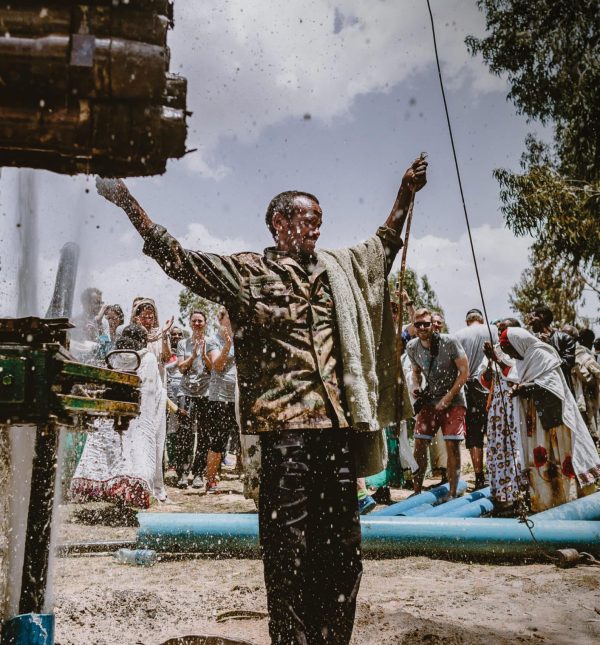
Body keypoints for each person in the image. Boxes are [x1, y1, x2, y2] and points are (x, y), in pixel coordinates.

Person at [96, 155, 426, 644]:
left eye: (320, 221)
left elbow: (385, 242)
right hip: (283, 438)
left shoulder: (339, 270)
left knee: (343, 552)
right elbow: (176, 256)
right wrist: (127, 203)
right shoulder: (245, 273)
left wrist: (406, 191)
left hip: (335, 436)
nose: (317, 229)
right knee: (288, 553)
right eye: (307, 220)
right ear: (279, 223)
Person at [500, 327, 600, 512]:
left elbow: (553, 388)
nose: (512, 355)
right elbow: (513, 375)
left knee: (562, 459)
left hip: (557, 419)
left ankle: (572, 509)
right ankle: (546, 506)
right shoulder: (522, 359)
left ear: (519, 343)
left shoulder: (540, 354)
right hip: (535, 418)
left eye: (511, 350)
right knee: (542, 463)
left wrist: (524, 389)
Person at [70, 324, 167, 508]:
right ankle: (133, 492)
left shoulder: (113, 358)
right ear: (143, 340)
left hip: (112, 410)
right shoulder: (148, 358)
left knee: (110, 452)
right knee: (136, 453)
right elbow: (151, 390)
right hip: (138, 414)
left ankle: (98, 490)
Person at [406, 308, 469, 498]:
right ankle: (417, 491)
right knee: (419, 441)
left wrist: (448, 398)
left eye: (426, 323)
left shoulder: (449, 342)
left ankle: (452, 492)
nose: (423, 327)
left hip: (453, 399)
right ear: (414, 326)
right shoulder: (412, 347)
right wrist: (416, 386)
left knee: (452, 445)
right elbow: (416, 372)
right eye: (419, 324)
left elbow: (464, 372)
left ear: (433, 324)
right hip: (430, 399)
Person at [480, 318, 526, 511]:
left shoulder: (520, 349)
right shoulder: (496, 349)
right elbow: (484, 380)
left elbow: (516, 375)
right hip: (497, 405)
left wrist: (497, 360)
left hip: (514, 403)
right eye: (499, 331)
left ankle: (518, 494)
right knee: (497, 448)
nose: (501, 334)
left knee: (514, 447)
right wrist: (490, 364)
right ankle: (500, 494)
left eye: (504, 330)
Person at [455, 308, 498, 490]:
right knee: (495, 431)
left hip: (469, 387)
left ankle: (479, 477)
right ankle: (497, 474)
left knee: (474, 435)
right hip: (491, 386)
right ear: (481, 320)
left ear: (467, 321)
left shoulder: (458, 335)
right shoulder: (493, 329)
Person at [175, 311, 219, 489]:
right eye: (194, 321)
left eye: (200, 321)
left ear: (205, 323)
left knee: (204, 434)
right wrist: (193, 355)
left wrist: (204, 353)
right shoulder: (182, 343)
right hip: (186, 392)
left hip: (206, 393)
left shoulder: (212, 342)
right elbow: (181, 369)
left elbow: (213, 368)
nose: (197, 323)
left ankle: (198, 473)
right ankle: (183, 473)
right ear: (190, 323)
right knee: (184, 434)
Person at [206, 308, 239, 493]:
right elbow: (216, 365)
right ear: (221, 320)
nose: (232, 320)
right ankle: (210, 481)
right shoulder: (212, 340)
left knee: (243, 438)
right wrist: (227, 344)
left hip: (238, 396)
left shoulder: (239, 339)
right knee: (218, 440)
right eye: (229, 317)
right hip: (220, 397)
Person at [562, 326, 600, 444]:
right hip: (565, 402)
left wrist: (577, 369)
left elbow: (594, 377)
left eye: (567, 336)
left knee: (586, 436)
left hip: (582, 401)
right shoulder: (558, 354)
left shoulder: (581, 354)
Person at [527, 304, 576, 393]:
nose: (529, 323)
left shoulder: (565, 339)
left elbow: (567, 365)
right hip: (540, 393)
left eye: (532, 318)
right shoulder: (533, 342)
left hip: (561, 391)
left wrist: (550, 346)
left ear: (541, 316)